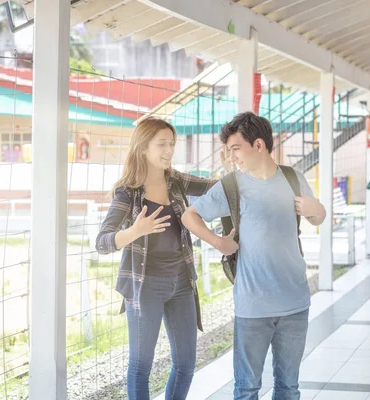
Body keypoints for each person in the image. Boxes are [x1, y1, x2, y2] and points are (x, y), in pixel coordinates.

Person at [181, 112, 326, 400]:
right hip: (252, 306)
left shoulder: (293, 178)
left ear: (258, 145)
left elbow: (317, 218)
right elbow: (190, 215)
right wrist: (218, 243)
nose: (231, 156)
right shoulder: (231, 186)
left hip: (295, 303)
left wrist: (317, 208)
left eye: (236, 148)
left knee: (288, 388)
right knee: (246, 389)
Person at [95, 117, 232, 400]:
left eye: (172, 144)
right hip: (145, 287)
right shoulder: (128, 192)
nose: (169, 150)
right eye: (162, 144)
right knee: (140, 365)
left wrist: (231, 167)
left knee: (185, 364)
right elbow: (102, 242)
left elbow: (216, 188)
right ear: (143, 147)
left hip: (182, 283)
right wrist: (135, 230)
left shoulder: (177, 180)